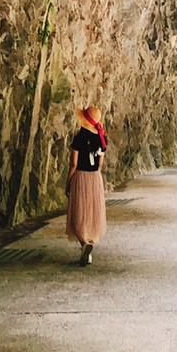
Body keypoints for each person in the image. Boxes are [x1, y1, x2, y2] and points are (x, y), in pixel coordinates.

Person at [66, 104, 107, 265]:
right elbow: (100, 165)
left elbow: (73, 164)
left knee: (77, 215)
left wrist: (68, 182)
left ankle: (85, 244)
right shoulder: (102, 139)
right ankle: (89, 249)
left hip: (81, 177)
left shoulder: (79, 138)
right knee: (92, 215)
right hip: (95, 178)